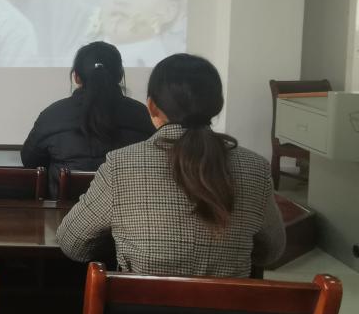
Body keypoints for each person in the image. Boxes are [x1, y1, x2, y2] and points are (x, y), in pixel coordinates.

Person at [56, 53, 285, 277]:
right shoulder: (256, 168)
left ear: (151, 106)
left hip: (141, 303)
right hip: (230, 303)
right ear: (218, 105)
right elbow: (272, 251)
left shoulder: (121, 166)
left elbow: (72, 243)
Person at [21, 42, 154, 198]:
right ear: (120, 76)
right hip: (127, 210)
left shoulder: (52, 115)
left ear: (76, 77)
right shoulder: (142, 115)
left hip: (65, 211)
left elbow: (30, 161)